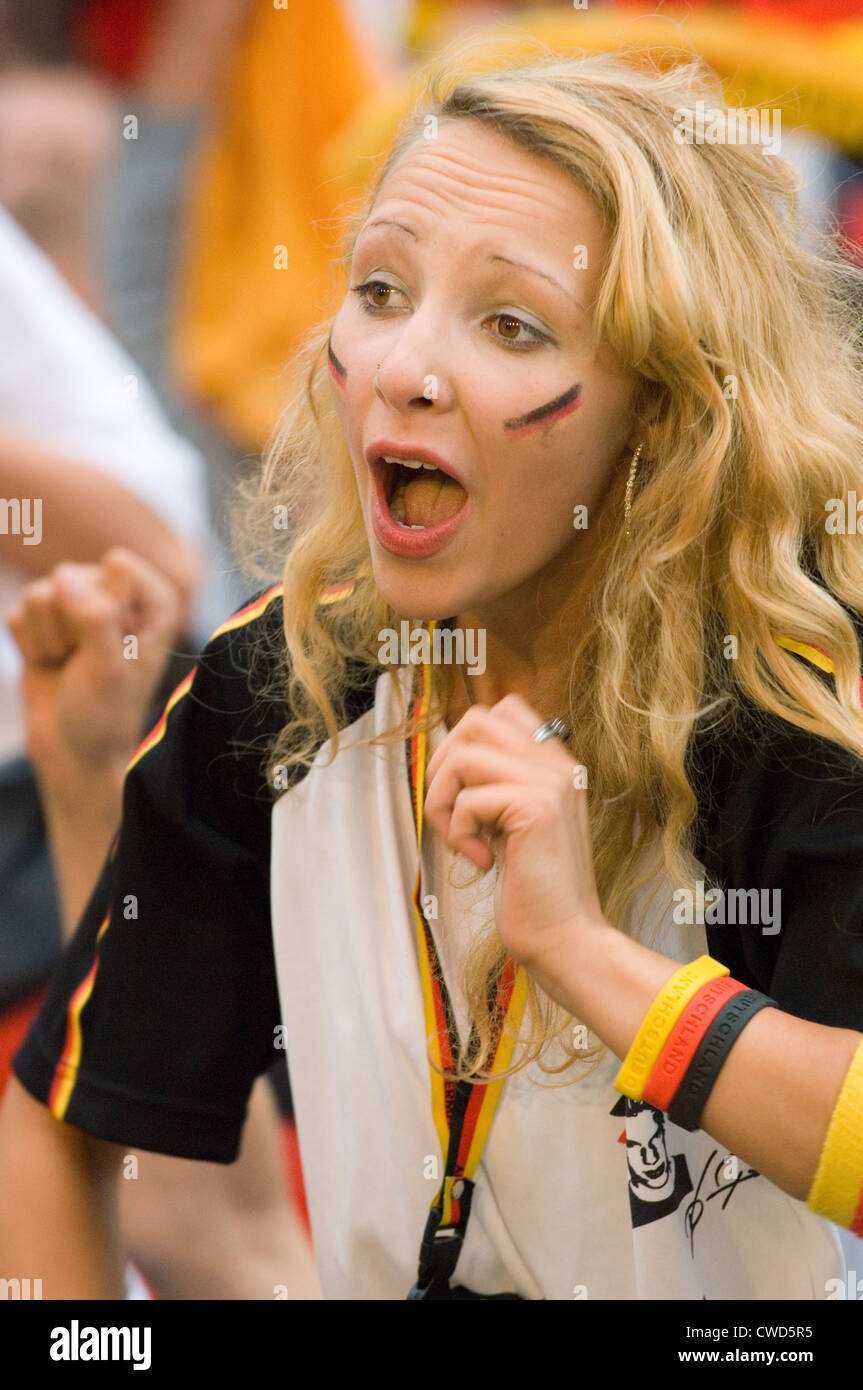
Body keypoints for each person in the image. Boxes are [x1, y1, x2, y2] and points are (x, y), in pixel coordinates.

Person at [2, 42, 863, 1300]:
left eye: (509, 323)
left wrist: (580, 950)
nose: (405, 369)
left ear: (668, 416)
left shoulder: (784, 701)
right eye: (382, 291)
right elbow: (72, 1123)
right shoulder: (274, 689)